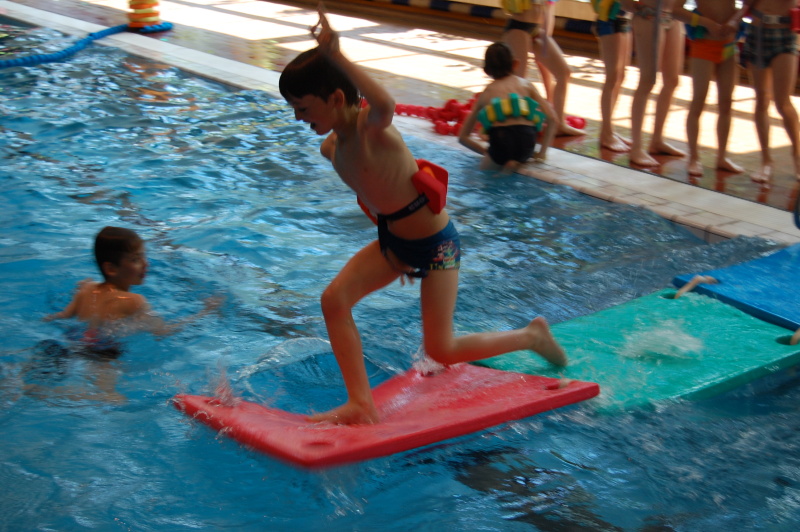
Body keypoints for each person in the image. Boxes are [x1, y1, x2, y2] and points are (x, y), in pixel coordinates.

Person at [278, 8, 567, 425]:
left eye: (303, 108)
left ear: (336, 99)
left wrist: (336, 56)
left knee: (440, 349)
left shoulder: (372, 128)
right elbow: (378, 196)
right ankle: (361, 404)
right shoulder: (333, 148)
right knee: (333, 301)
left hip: (436, 245)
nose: (298, 118)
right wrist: (394, 251)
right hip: (396, 244)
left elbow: (385, 102)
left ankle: (531, 336)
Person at [45, 226, 219, 340]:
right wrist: (206, 312)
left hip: (71, 339)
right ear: (111, 269)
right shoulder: (134, 301)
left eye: (143, 256)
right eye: (136, 259)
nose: (145, 264)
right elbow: (162, 331)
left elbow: (61, 316)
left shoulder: (86, 289)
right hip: (102, 353)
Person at [458, 41, 557, 173]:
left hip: (501, 142)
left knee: (486, 172)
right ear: (515, 64)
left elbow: (463, 138)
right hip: (526, 143)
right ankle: (514, 162)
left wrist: (487, 153)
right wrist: (541, 154)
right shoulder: (526, 85)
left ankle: (504, 163)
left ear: (486, 71)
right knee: (518, 153)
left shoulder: (487, 93)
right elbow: (552, 119)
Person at [732, 0, 800, 183]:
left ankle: (797, 155)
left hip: (785, 31)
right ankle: (766, 161)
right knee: (762, 99)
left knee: (782, 103)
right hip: (758, 30)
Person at [674, 0, 744, 177]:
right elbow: (674, 9)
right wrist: (705, 22)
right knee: (699, 101)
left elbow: (748, 5)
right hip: (704, 43)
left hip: (728, 44)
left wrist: (735, 20)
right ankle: (694, 157)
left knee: (726, 103)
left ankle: (722, 157)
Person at [502, 0, 584, 136]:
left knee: (564, 73)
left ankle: (559, 124)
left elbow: (549, 8)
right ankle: (509, 124)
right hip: (518, 28)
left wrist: (546, 38)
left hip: (537, 30)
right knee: (518, 82)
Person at [625, 0, 687, 166]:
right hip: (649, 15)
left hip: (673, 16)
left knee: (672, 81)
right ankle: (636, 147)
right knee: (647, 80)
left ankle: (657, 140)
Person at [591, 0, 634, 151]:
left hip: (624, 18)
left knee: (620, 76)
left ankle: (608, 129)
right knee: (612, 77)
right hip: (609, 20)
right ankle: (606, 134)